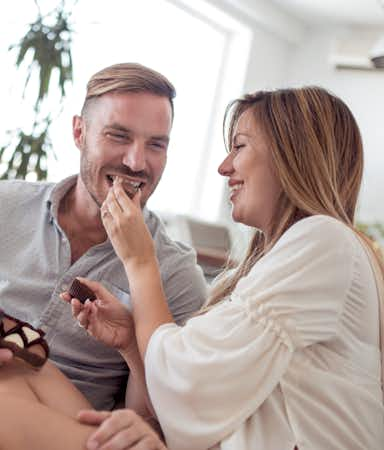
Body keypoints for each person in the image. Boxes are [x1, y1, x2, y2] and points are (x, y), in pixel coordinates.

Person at [1, 86, 383, 450]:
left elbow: (184, 392)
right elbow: (199, 391)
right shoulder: (277, 265)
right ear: (79, 133)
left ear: (292, 155)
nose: (223, 166)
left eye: (239, 146)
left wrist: (140, 262)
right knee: (19, 366)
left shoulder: (323, 240)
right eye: (119, 135)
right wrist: (132, 344)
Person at [0, 62, 207, 411]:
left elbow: (159, 422)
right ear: (80, 133)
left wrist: (132, 347)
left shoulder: (177, 275)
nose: (136, 162)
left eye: (156, 144)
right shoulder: (6, 206)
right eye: (119, 136)